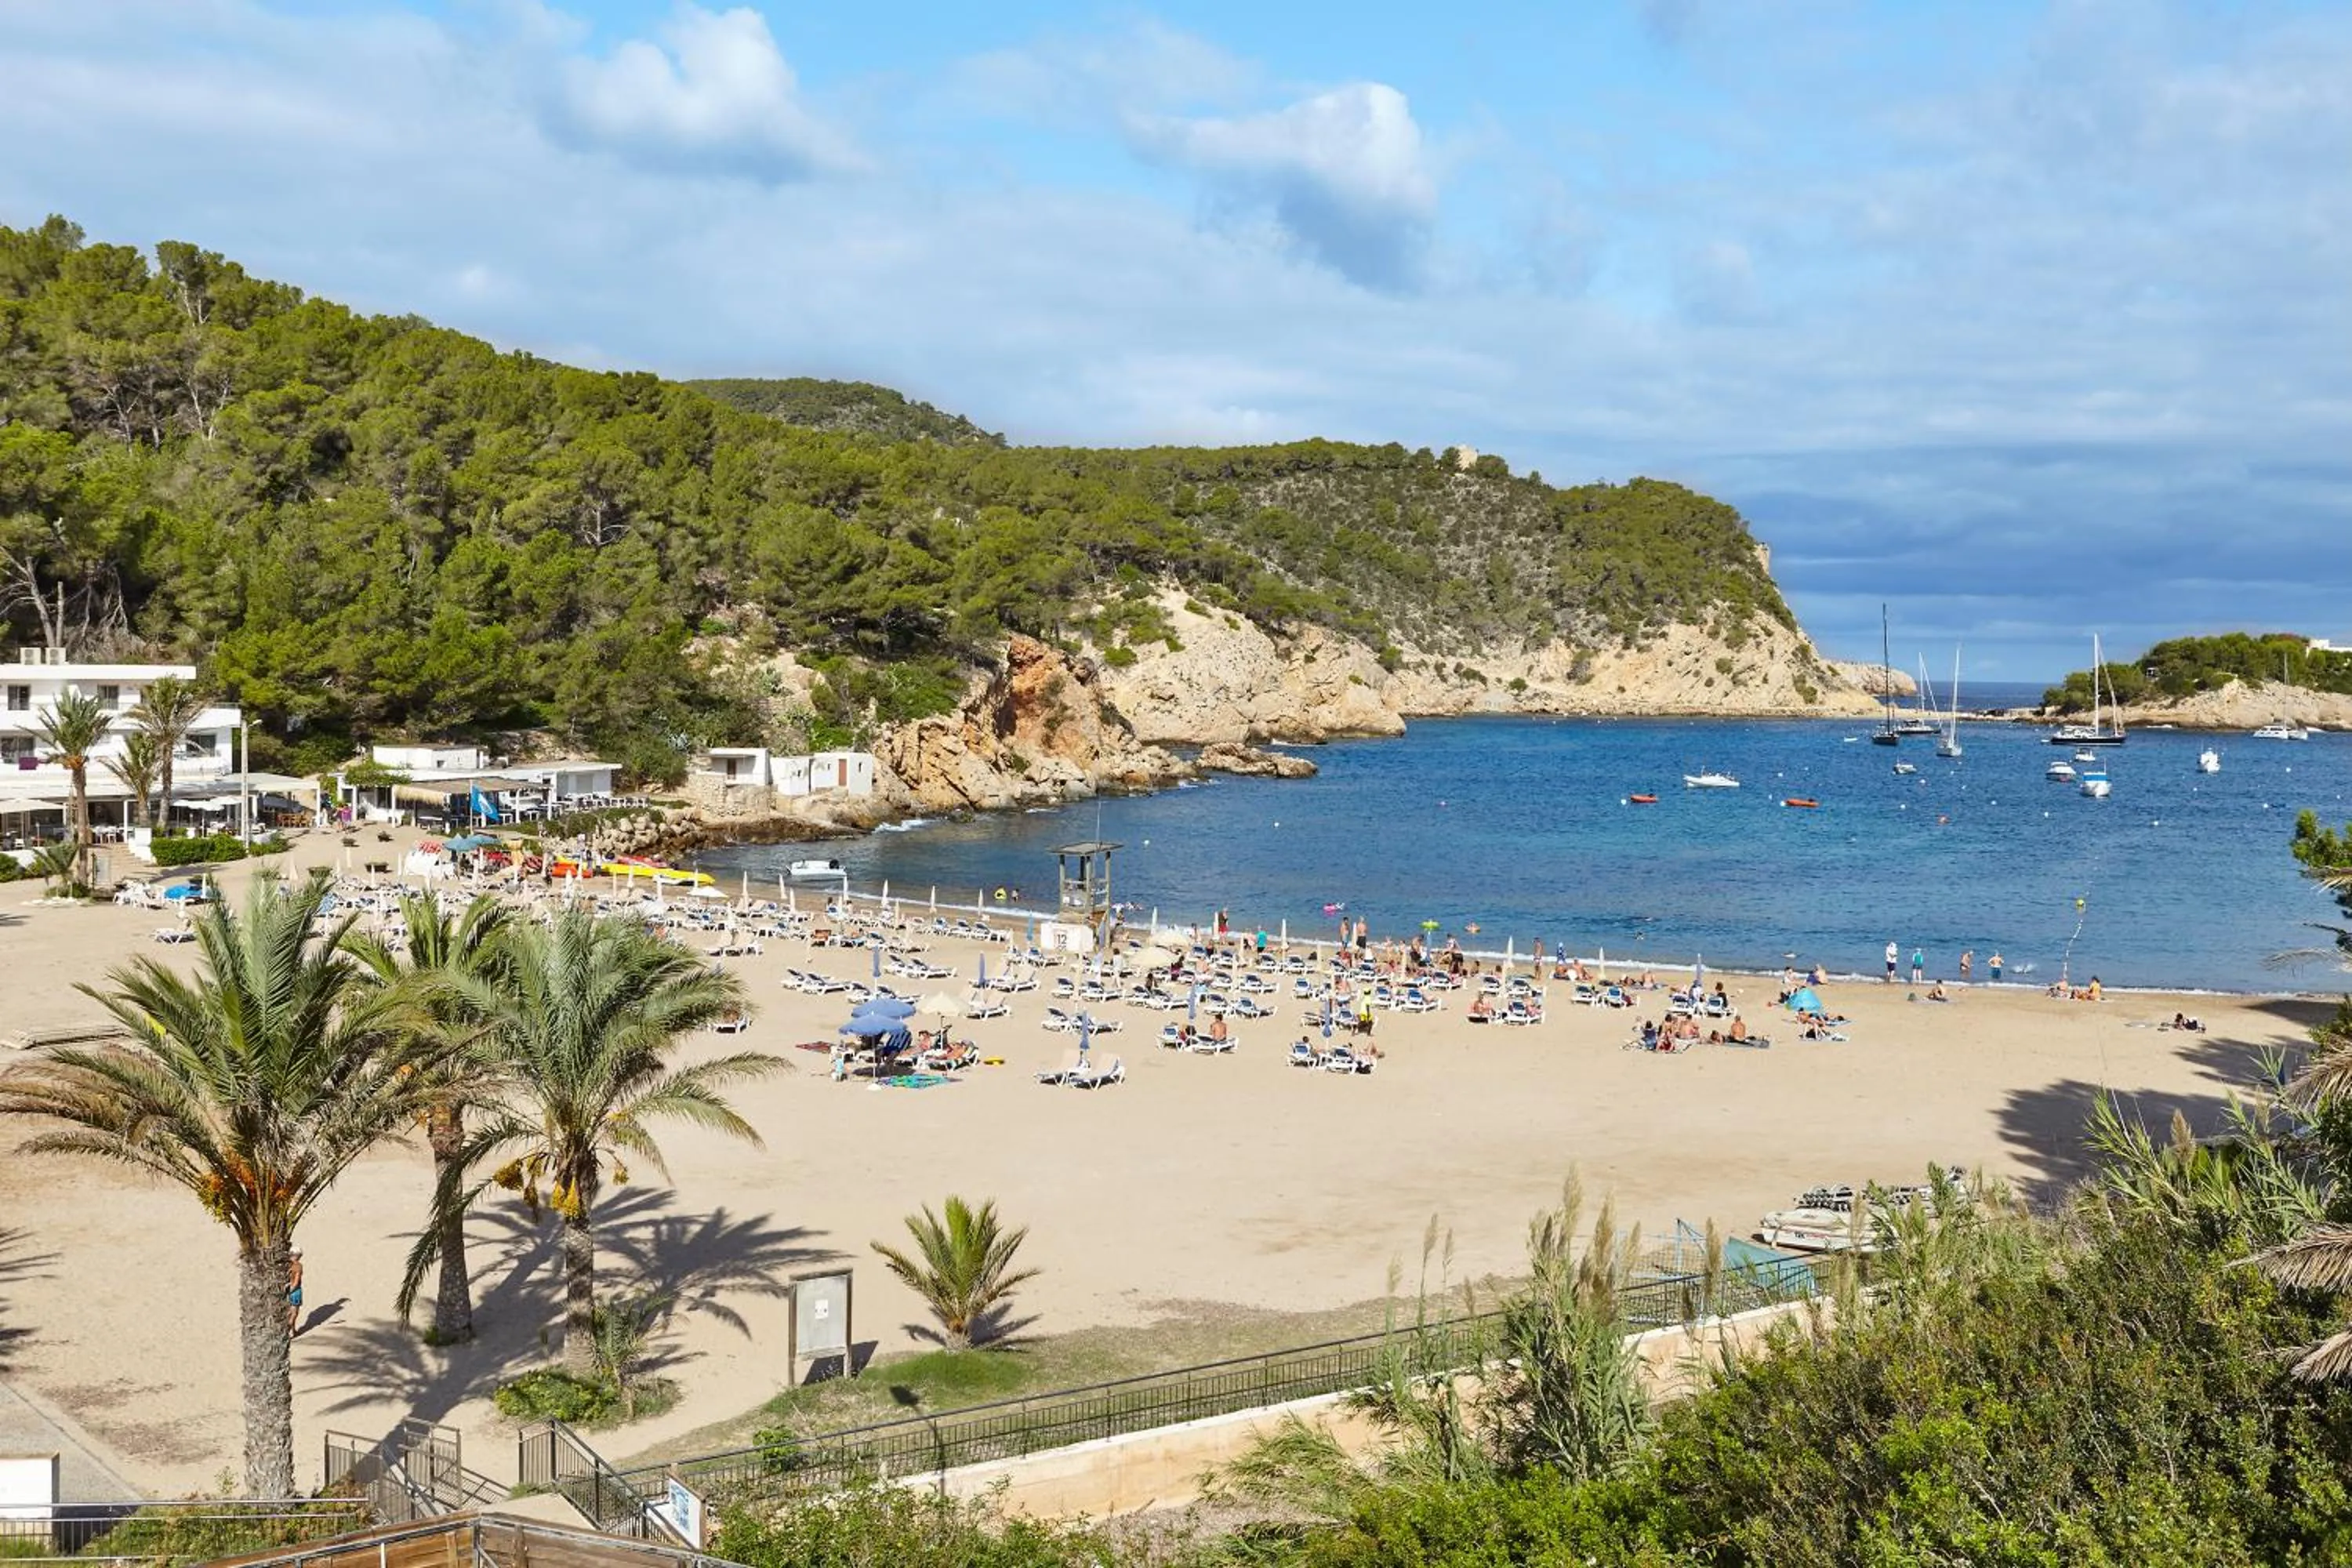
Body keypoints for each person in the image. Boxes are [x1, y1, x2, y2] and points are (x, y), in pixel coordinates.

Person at [286, 1250, 305, 1336]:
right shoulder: (298, 1266)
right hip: (295, 1291)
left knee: (290, 1311)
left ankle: (294, 1331)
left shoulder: (287, 1264)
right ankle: (288, 1329)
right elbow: (296, 1281)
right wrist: (292, 1290)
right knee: (294, 1313)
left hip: (287, 1289)